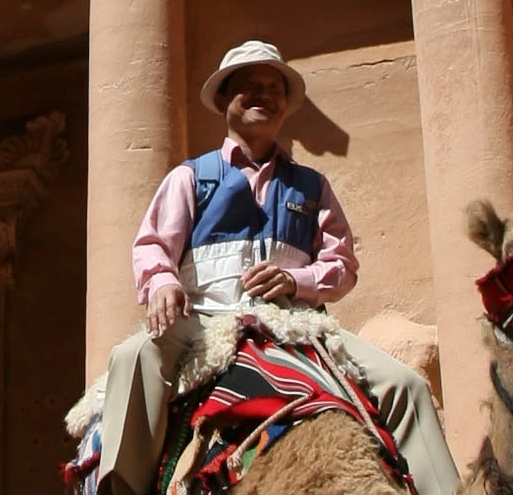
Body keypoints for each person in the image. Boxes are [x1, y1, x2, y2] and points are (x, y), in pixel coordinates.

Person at [94, 40, 460, 495]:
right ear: (225, 100)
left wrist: (298, 280)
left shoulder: (311, 186)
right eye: (249, 87)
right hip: (204, 318)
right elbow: (152, 246)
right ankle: (122, 486)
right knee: (132, 356)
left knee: (406, 385)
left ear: (285, 106)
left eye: (273, 88)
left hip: (292, 321)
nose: (263, 95)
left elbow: (342, 264)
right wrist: (164, 283)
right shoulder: (190, 177)